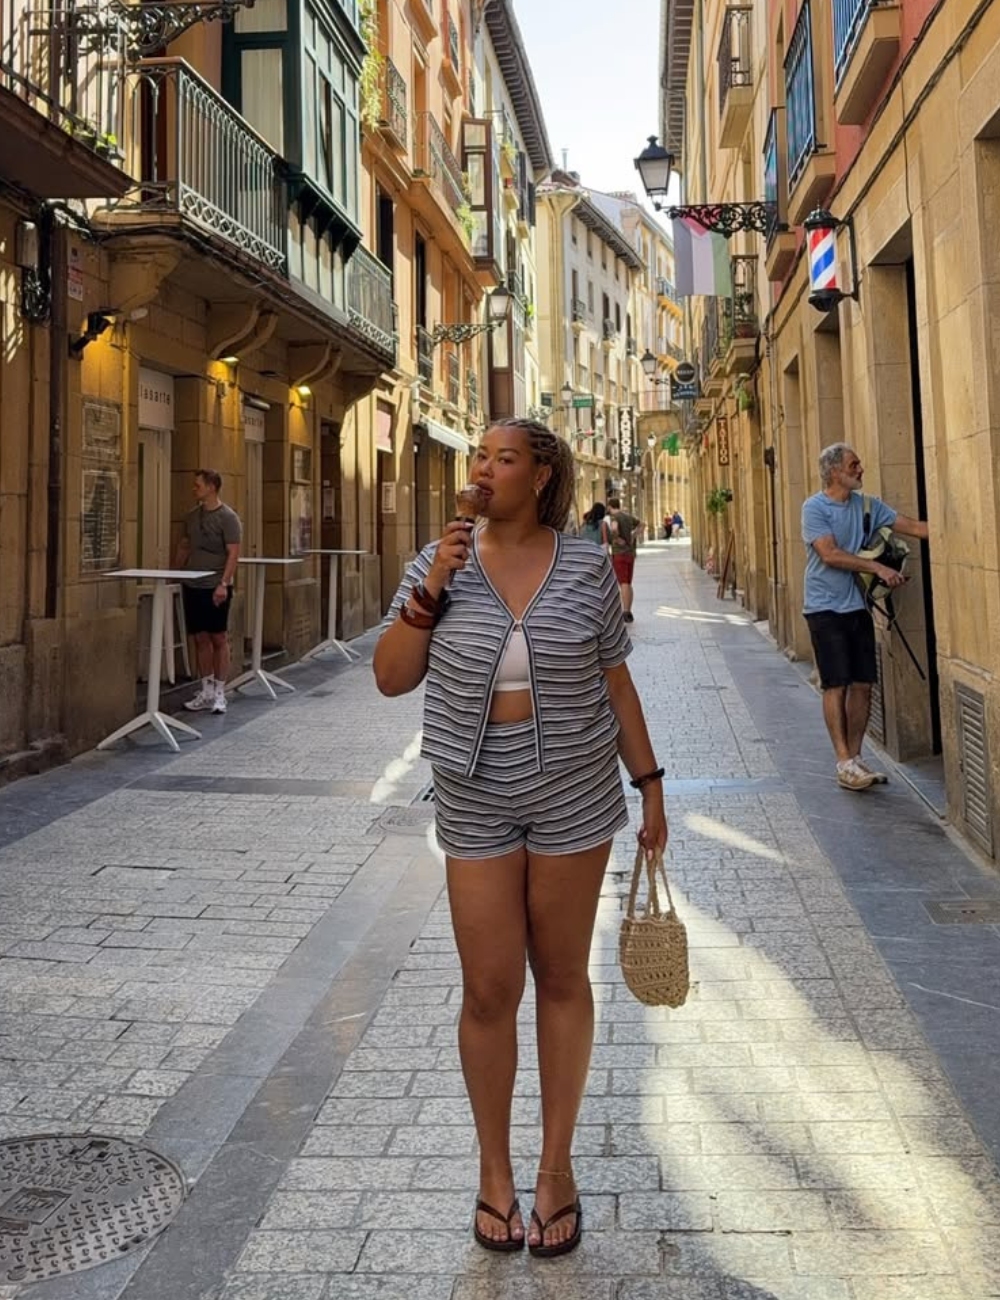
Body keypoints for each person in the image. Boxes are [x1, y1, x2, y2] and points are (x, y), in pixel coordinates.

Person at [374, 418, 667, 1259]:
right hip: (473, 793)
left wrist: (649, 786)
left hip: (573, 788)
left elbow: (616, 680)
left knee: (563, 978)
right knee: (488, 990)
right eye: (478, 458)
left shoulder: (584, 564)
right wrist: (433, 583)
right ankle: (494, 1174)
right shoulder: (436, 567)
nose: (484, 471)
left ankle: (556, 1171)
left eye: (503, 459)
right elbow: (392, 678)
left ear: (541, 476)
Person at [802, 443, 928, 790]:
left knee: (863, 685)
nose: (861, 469)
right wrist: (876, 567)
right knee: (836, 684)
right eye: (853, 464)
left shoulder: (868, 506)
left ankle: (856, 759)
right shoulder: (814, 508)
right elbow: (829, 554)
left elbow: (914, 527)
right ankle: (843, 761)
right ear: (834, 472)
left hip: (856, 606)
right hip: (824, 607)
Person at [174, 469, 242, 716]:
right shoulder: (191, 517)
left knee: (218, 638)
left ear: (212, 487)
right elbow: (184, 545)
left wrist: (223, 583)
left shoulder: (228, 518)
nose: (194, 489)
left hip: (215, 585)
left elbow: (233, 553)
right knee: (200, 638)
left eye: (198, 485)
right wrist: (175, 572)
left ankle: (221, 692)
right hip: (192, 584)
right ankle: (206, 689)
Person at [606, 497, 644, 623]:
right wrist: (633, 535)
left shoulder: (614, 517)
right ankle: (629, 610)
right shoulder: (628, 517)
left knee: (623, 583)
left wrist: (616, 539)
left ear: (610, 506)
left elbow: (614, 529)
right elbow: (642, 524)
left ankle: (626, 612)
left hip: (619, 554)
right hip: (630, 554)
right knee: (627, 582)